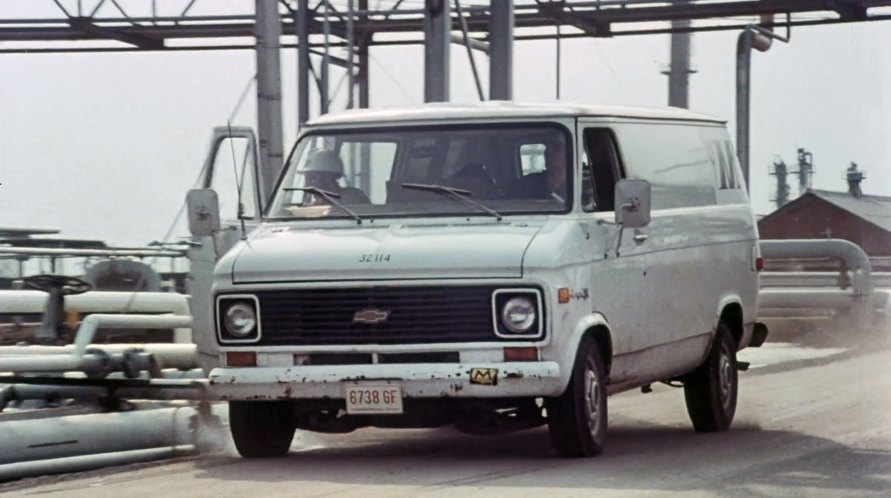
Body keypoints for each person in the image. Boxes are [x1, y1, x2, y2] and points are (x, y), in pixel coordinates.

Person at [301, 149, 371, 206]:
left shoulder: (354, 198)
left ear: (329, 176)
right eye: (306, 179)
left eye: (313, 178)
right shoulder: (315, 207)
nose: (307, 185)